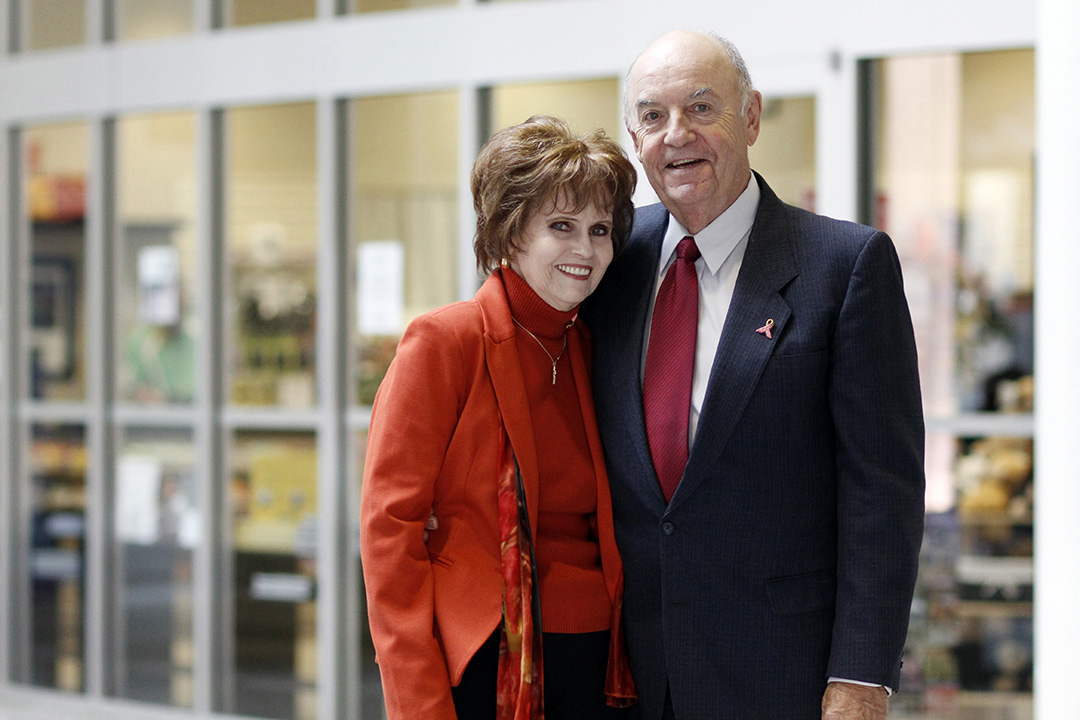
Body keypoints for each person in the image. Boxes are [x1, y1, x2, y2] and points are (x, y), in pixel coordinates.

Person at [583, 30, 925, 720]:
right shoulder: (607, 259)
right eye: (653, 116)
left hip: (783, 676)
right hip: (625, 675)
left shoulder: (845, 265)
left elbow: (880, 491)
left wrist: (861, 675)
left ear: (753, 117)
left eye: (702, 108)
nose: (677, 134)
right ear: (634, 136)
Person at [360, 115, 638, 720]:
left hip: (596, 659)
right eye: (560, 226)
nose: (585, 250)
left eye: (599, 229)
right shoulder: (445, 341)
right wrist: (417, 704)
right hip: (487, 654)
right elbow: (390, 533)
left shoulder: (593, 346)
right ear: (510, 234)